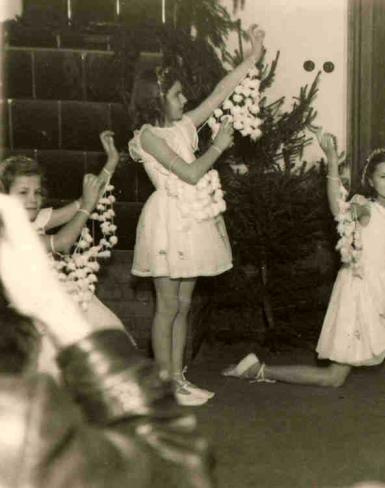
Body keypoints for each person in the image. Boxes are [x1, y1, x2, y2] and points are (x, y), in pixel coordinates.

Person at [0, 192, 213, 488]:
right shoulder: (21, 421)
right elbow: (178, 467)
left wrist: (90, 194)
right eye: (23, 191)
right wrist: (59, 312)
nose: (31, 198)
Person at [128, 25, 265, 406]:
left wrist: (252, 57)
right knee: (168, 305)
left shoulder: (184, 125)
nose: (185, 98)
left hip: (193, 218)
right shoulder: (148, 136)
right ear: (157, 100)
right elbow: (189, 174)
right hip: (168, 221)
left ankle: (178, 377)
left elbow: (220, 92)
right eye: (176, 94)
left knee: (185, 305)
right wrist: (218, 147)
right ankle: (164, 382)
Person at [223, 135, 385, 387]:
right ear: (371, 180)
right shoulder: (365, 207)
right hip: (362, 289)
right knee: (333, 378)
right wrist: (332, 159)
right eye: (383, 176)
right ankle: (258, 370)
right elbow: (338, 209)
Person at [0, 130, 132, 380]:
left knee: (104, 346)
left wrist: (110, 163)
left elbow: (85, 200)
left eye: (37, 192)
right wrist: (87, 206)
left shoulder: (37, 219)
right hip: (35, 317)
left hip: (65, 298)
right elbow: (62, 242)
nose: (33, 199)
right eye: (23, 192)